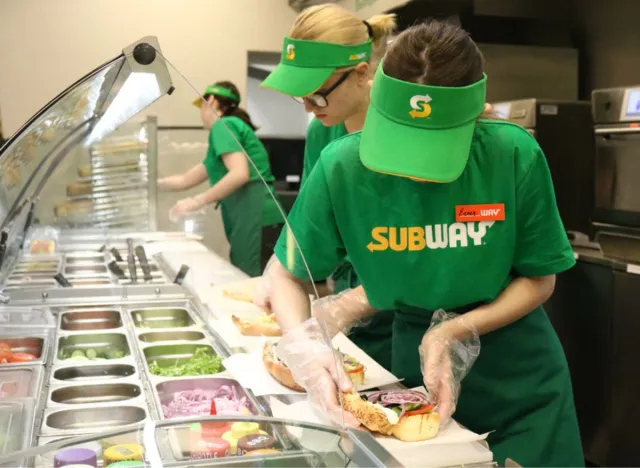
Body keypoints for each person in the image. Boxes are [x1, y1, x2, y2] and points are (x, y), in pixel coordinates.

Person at [265, 20, 584, 467]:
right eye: (404, 141)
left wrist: (453, 331)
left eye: (438, 145)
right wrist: (307, 349)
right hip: (416, 378)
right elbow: (286, 274)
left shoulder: (513, 154)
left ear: (474, 116)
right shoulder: (342, 166)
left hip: (521, 380)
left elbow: (539, 278)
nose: (417, 169)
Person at [256, 4, 397, 370]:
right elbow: (312, 214)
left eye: (317, 95)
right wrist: (284, 266)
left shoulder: (404, 128)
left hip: (417, 310)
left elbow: (428, 240)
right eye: (299, 96)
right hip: (352, 295)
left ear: (361, 73)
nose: (307, 108)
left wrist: (356, 302)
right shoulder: (324, 129)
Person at [158, 81, 283, 277]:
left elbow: (239, 174)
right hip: (255, 220)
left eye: (202, 106)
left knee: (254, 285)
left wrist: (196, 201)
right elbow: (185, 180)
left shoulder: (224, 125)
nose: (201, 114)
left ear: (213, 102)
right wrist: (147, 184)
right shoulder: (229, 131)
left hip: (256, 219)